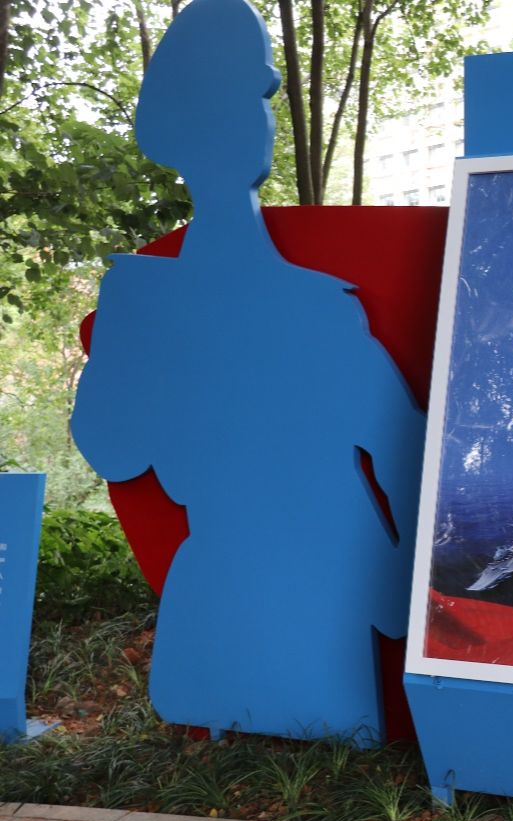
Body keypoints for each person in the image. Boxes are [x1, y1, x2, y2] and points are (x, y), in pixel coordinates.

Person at [71, 0, 425, 745]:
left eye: (257, 101)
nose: (252, 123)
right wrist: (131, 338)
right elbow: (113, 445)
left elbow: (402, 444)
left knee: (330, 711)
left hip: (330, 582)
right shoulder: (147, 296)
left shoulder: (320, 305)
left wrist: (406, 586)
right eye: (236, 102)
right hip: (229, 575)